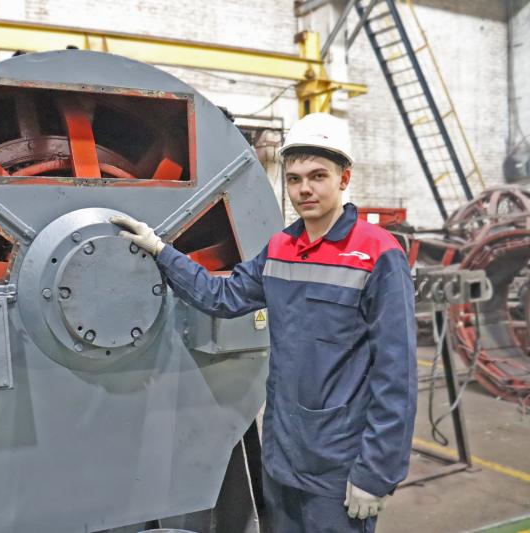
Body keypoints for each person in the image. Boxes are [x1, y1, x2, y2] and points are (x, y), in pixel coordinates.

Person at [111, 112, 417, 533]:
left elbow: (396, 375)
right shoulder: (281, 248)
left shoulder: (377, 254)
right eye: (294, 179)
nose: (304, 189)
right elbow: (221, 296)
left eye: (318, 176)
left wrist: (377, 473)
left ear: (344, 179)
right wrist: (161, 251)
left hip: (338, 467)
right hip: (282, 456)